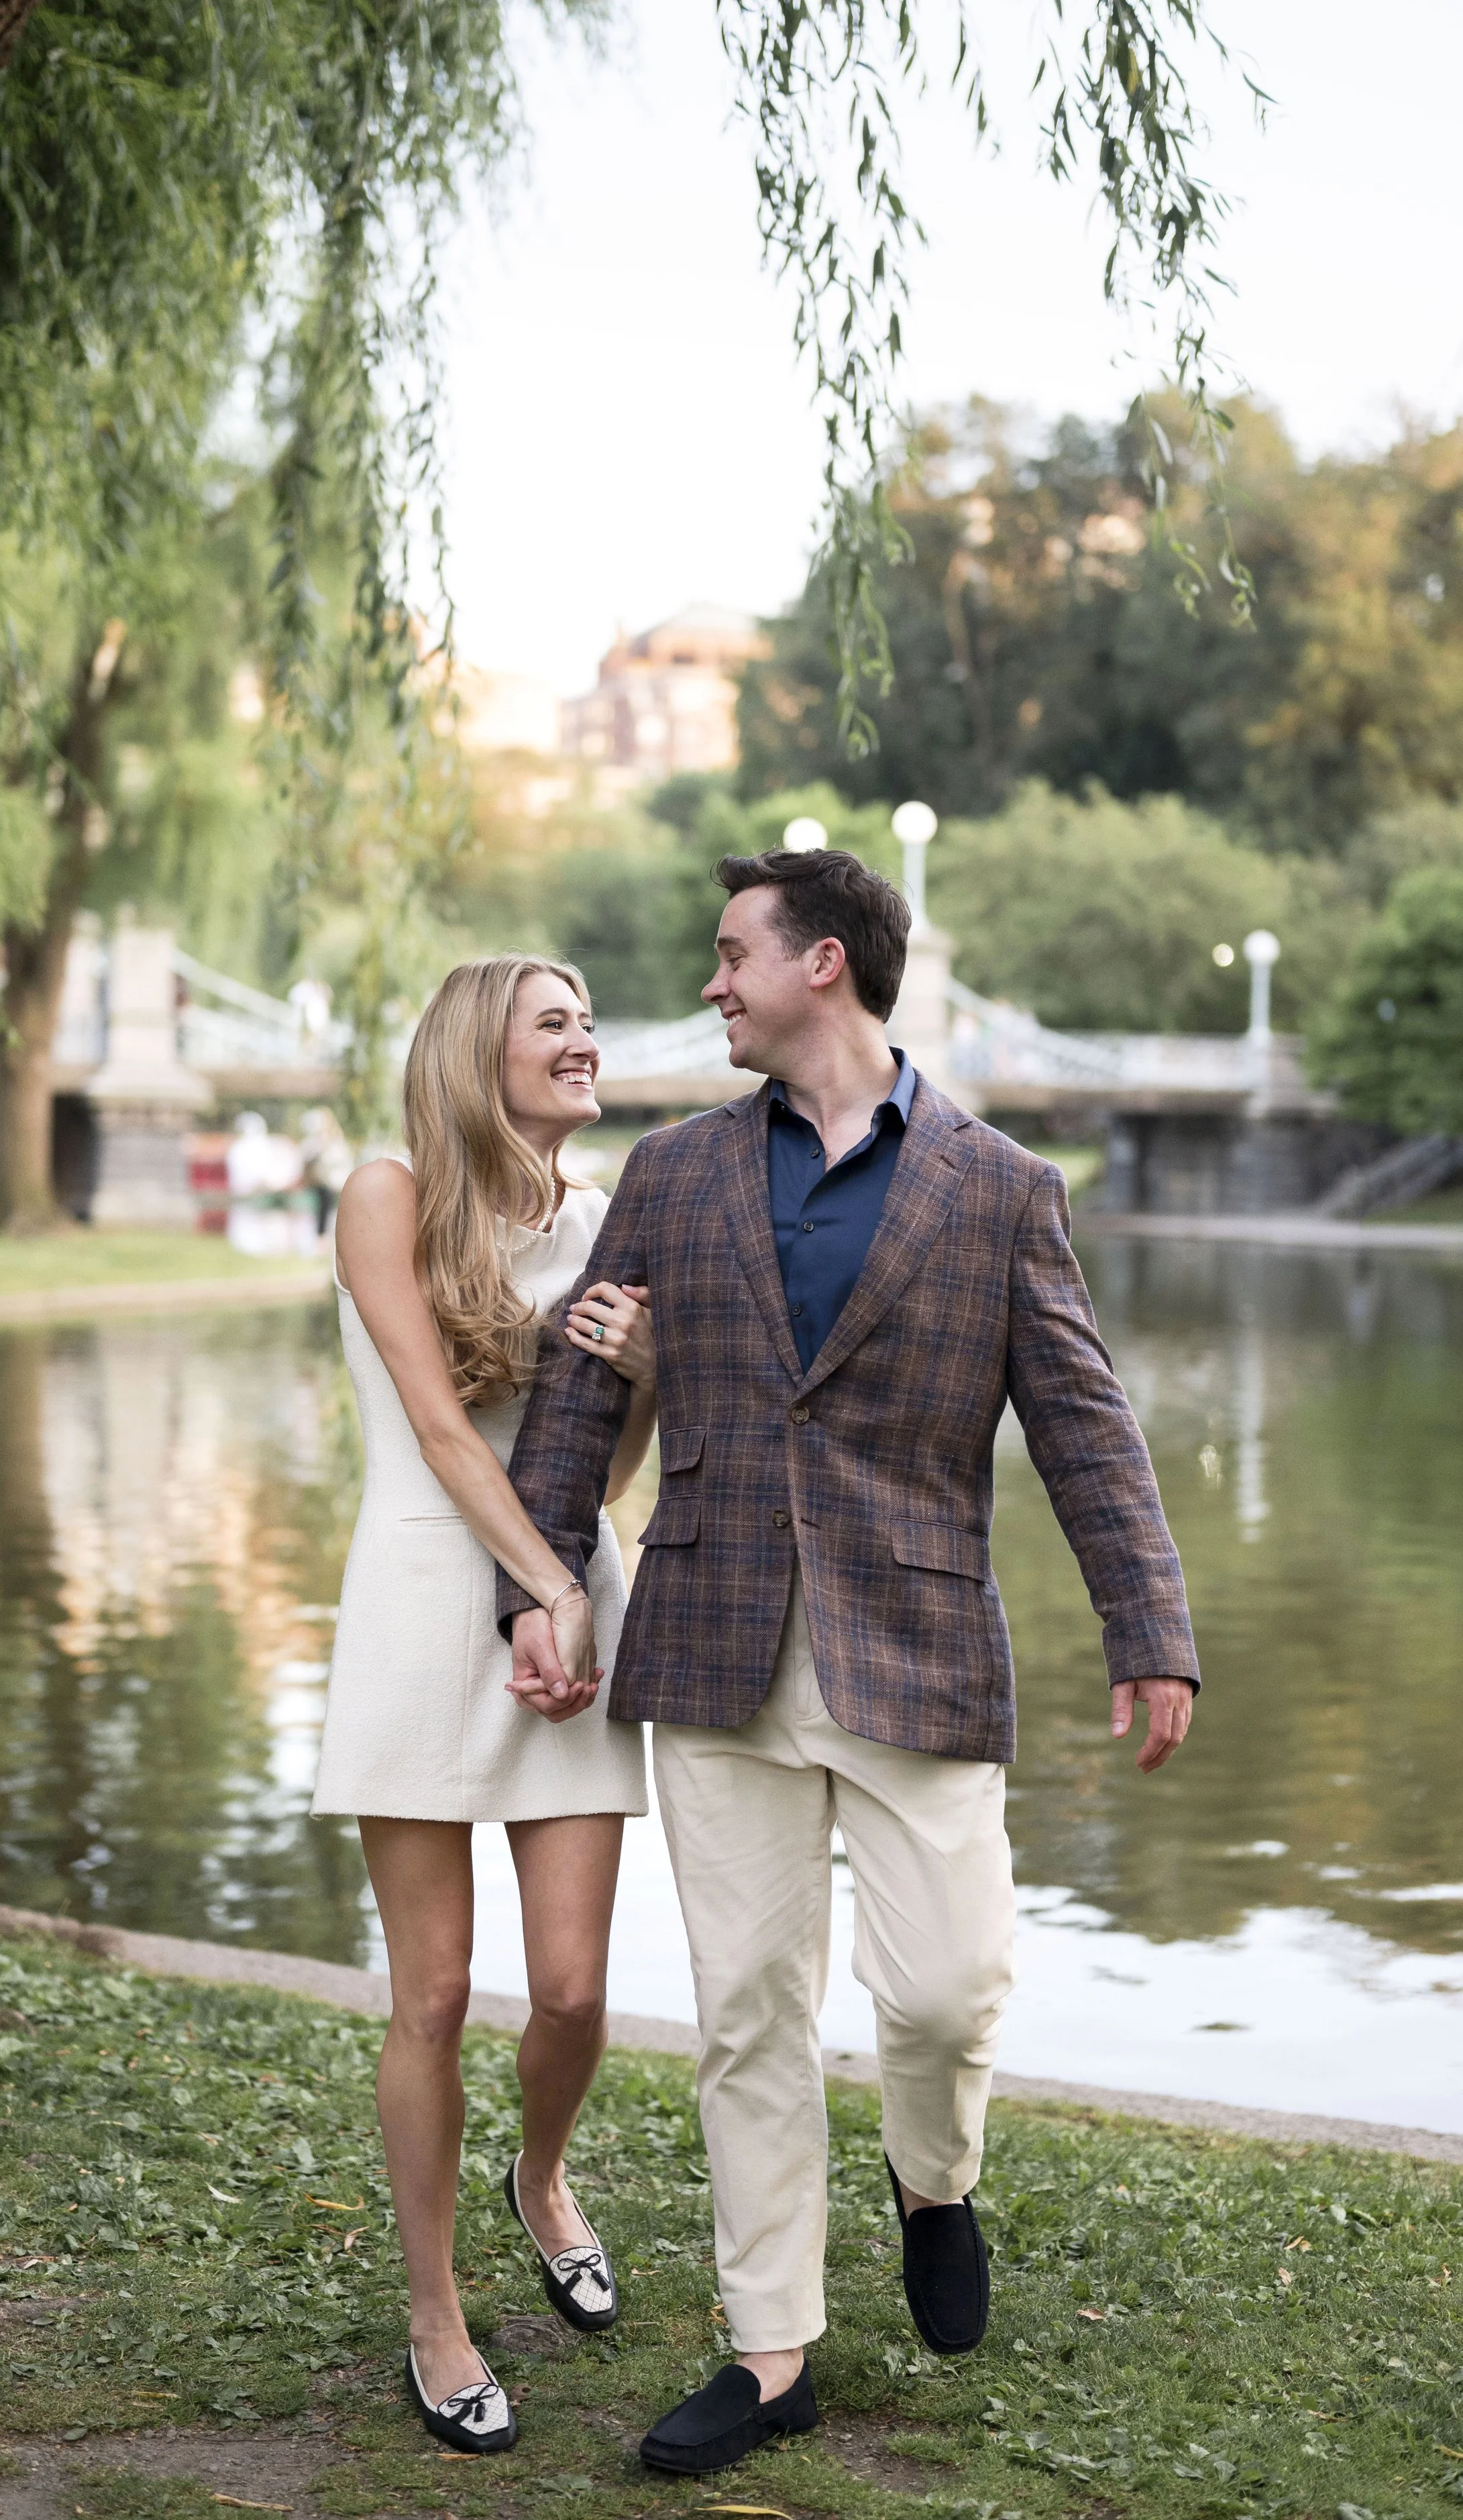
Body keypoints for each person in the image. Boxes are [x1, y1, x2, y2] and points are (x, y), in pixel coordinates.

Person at [498, 849, 1198, 2477]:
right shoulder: (670, 1175)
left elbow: (1086, 1430)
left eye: (728, 955)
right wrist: (532, 1586)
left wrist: (1148, 1629)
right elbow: (579, 1401)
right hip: (714, 1639)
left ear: (822, 963)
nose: (706, 984)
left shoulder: (998, 1187)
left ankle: (932, 2179)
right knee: (748, 2009)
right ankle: (769, 2353)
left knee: (947, 1994)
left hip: (920, 1640)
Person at [311, 954, 656, 2456]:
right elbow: (446, 1433)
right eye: (553, 1023)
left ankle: (541, 2177)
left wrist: (644, 1379)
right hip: (420, 1602)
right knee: (433, 1996)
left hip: (566, 1605)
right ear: (478, 1053)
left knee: (573, 1989)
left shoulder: (606, 1227)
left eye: (589, 1022)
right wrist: (550, 1585)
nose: (585, 1042)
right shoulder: (383, 1195)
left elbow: (604, 1463)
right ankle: (435, 2310)